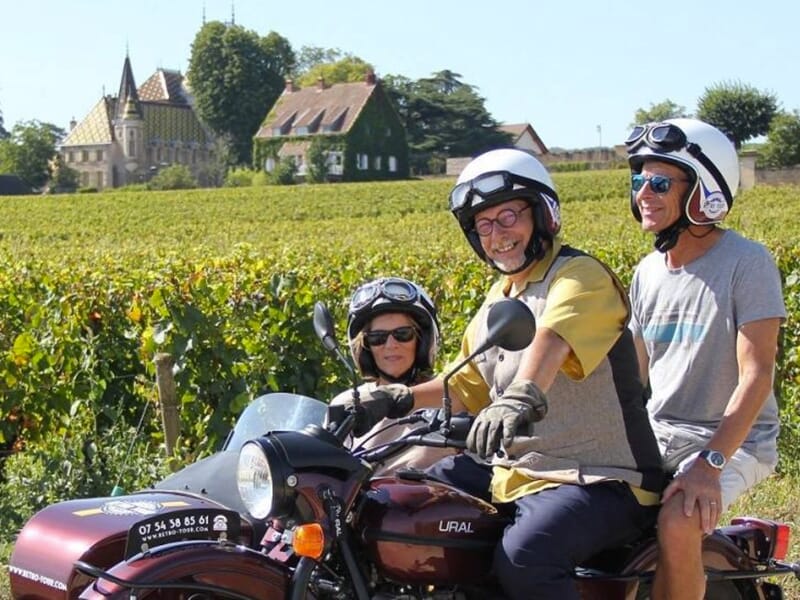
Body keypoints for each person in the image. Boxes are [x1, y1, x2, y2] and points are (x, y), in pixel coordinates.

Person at [351, 148, 665, 599]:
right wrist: (396, 399)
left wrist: (521, 395)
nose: (497, 234)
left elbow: (552, 340)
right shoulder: (499, 299)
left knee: (526, 558)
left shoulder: (578, 276)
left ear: (542, 214)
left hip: (601, 478)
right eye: (483, 225)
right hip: (517, 472)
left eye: (508, 216)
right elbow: (466, 385)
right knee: (395, 504)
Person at [625, 118, 787, 599]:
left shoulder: (746, 262)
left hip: (736, 440)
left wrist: (708, 465)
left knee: (679, 520)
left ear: (703, 190)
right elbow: (632, 381)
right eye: (639, 181)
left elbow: (756, 375)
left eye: (659, 183)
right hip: (660, 432)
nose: (644, 194)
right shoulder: (647, 272)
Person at [331, 276, 454, 475]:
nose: (391, 345)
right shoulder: (347, 402)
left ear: (422, 341)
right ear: (365, 346)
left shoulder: (448, 397)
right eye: (377, 338)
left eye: (403, 334)